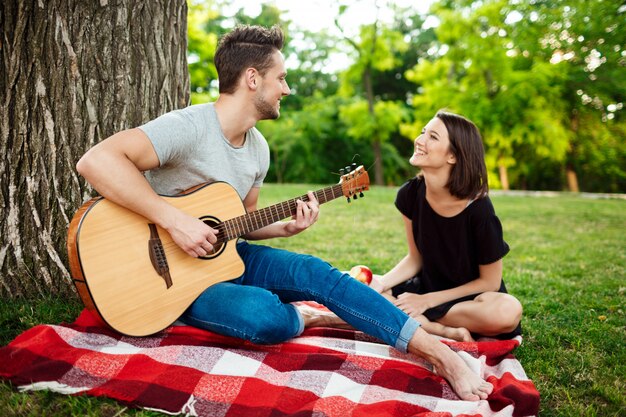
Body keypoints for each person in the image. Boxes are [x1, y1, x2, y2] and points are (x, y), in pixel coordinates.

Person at [76, 25, 492, 401]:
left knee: (318, 273)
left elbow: (240, 225)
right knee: (260, 315)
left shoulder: (259, 148)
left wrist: (284, 229)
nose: (287, 89)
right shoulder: (189, 126)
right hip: (168, 283)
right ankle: (306, 317)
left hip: (228, 259)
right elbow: (96, 161)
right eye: (281, 78)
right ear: (252, 78)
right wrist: (173, 219)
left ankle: (438, 353)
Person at [366, 110, 523, 342]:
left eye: (433, 137)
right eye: (423, 133)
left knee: (507, 311)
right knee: (361, 288)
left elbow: (489, 282)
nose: (419, 141)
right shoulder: (410, 194)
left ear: (453, 156)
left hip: (471, 299)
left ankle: (418, 321)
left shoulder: (479, 209)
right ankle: (439, 330)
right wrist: (380, 283)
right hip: (425, 289)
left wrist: (428, 301)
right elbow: (415, 259)